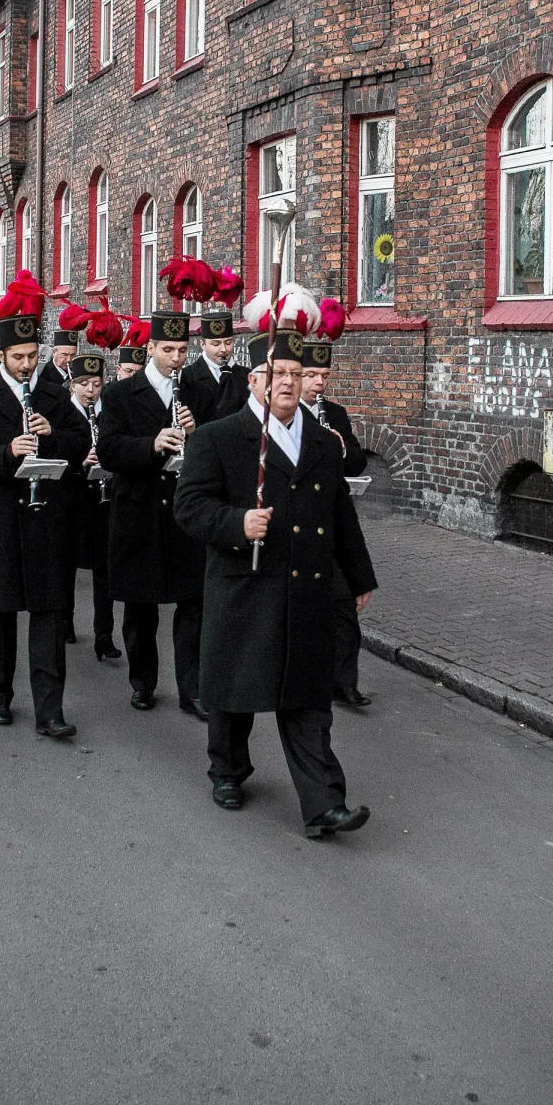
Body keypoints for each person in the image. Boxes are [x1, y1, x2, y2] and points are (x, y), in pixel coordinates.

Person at [174, 329, 377, 838]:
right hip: (247, 584)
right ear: (254, 380)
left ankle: (324, 805)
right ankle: (228, 771)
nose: (286, 382)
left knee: (307, 699)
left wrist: (357, 577)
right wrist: (236, 523)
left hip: (307, 587)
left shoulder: (322, 444)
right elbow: (190, 508)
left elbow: (340, 517)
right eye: (275, 374)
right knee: (235, 691)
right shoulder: (217, 438)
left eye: (294, 373)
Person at [0, 288, 89, 736]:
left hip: (46, 520)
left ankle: (51, 710)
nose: (27, 365)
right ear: (2, 355)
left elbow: (81, 445)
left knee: (48, 617)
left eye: (32, 356)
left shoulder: (52, 394)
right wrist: (8, 451)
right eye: (19, 357)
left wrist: (52, 437)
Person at [95, 308, 207, 716]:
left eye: (182, 350)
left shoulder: (194, 391)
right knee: (140, 607)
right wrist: (152, 444)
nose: (177, 358)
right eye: (169, 350)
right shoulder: (121, 393)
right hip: (139, 511)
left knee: (192, 603)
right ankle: (142, 682)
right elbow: (108, 450)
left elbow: (214, 450)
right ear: (152, 349)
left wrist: (196, 435)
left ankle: (191, 688)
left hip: (183, 513)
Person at [300, 334, 371, 711]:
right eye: (311, 375)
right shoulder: (284, 415)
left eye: (324, 376)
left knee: (344, 611)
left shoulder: (335, 414)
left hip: (333, 525)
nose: (318, 384)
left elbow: (357, 463)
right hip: (298, 527)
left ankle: (345, 684)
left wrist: (341, 447)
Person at [66, 348, 121, 663]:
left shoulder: (109, 412)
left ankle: (104, 636)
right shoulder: (62, 413)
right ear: (73, 384)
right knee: (68, 565)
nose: (91, 390)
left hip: (104, 501)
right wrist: (79, 461)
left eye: (96, 384)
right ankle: (66, 620)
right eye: (84, 383)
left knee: (104, 569)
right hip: (72, 500)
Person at [178, 308, 248, 427]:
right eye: (216, 344)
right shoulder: (186, 377)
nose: (223, 349)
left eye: (228, 342)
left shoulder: (247, 376)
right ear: (203, 344)